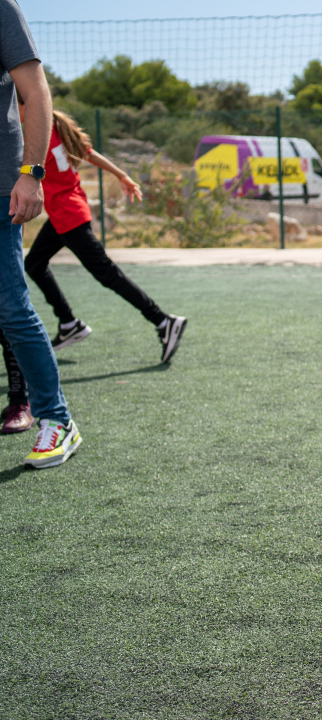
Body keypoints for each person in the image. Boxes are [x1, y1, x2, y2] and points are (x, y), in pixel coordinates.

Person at [18, 98, 188, 362]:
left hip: (68, 215)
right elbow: (88, 152)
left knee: (108, 274)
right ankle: (68, 324)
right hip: (68, 212)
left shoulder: (39, 135)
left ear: (26, 106)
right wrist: (122, 175)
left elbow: (34, 169)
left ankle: (163, 320)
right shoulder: (55, 126)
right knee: (35, 263)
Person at [0, 0, 81, 468]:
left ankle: (56, 419)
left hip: (1, 184)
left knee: (11, 306)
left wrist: (32, 173)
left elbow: (37, 91)